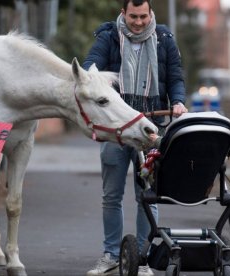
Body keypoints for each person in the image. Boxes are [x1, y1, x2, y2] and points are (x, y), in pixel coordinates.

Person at [82, 0, 188, 275]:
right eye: (133, 17)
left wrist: (177, 101)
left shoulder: (164, 39)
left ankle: (143, 258)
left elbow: (175, 76)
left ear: (151, 13)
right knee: (111, 196)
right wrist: (94, 80)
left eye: (143, 16)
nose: (138, 22)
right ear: (123, 14)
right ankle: (111, 255)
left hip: (151, 129)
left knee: (148, 196)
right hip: (117, 130)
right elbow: (90, 70)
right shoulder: (108, 37)